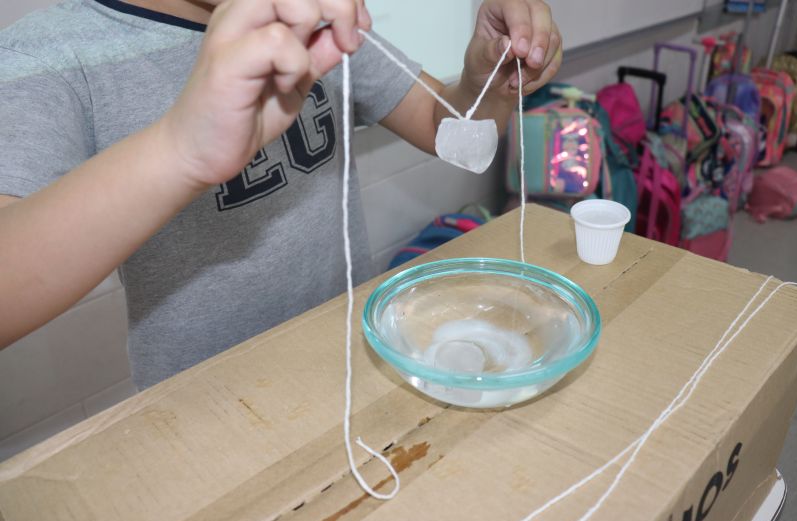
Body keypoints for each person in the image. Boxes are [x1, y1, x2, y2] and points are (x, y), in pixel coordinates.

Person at [0, 0, 562, 389]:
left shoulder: (309, 19)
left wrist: (488, 80)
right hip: (201, 408)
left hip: (351, 364)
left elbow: (450, 130)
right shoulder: (49, 56)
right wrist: (180, 150)